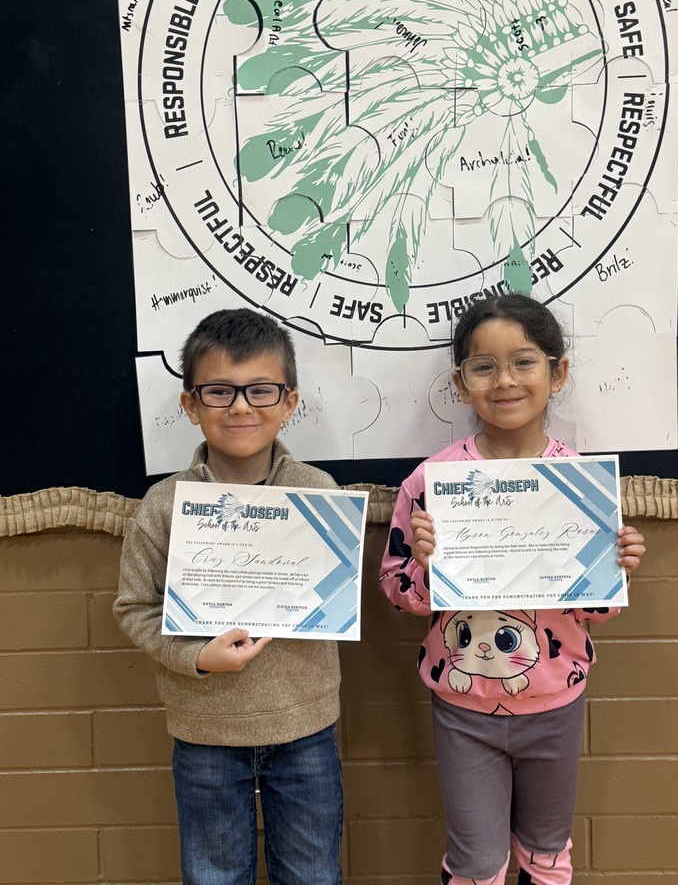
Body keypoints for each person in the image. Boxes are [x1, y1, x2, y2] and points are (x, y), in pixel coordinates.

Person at [379, 294, 646, 885]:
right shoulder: (431, 482)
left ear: (558, 373)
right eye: (484, 366)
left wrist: (616, 568)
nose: (504, 380)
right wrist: (422, 565)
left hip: (556, 701)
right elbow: (399, 594)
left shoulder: (581, 484)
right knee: (477, 862)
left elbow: (595, 612)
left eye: (524, 362)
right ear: (460, 381)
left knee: (548, 852)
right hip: (463, 707)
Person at [114, 308, 343, 885]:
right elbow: (134, 608)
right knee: (214, 875)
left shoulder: (319, 493)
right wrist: (194, 656)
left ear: (289, 402)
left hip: (305, 727)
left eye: (261, 390)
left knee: (312, 873)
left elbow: (338, 596)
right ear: (191, 405)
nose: (241, 407)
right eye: (219, 391)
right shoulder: (164, 505)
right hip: (205, 731)